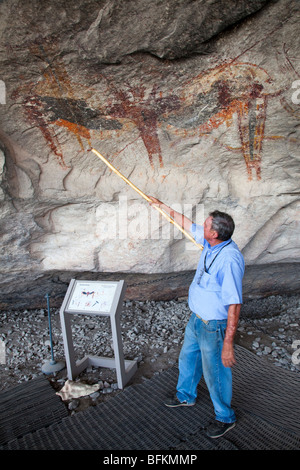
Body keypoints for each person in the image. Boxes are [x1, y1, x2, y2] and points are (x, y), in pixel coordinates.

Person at [148, 197, 245, 439]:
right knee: (188, 358)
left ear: (214, 234)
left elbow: (234, 304)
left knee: (216, 372)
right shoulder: (211, 242)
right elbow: (185, 223)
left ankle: (225, 416)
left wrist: (228, 344)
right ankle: (185, 395)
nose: (200, 228)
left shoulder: (229, 259)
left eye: (205, 226)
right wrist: (162, 206)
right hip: (196, 319)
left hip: (214, 326)